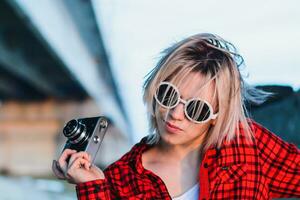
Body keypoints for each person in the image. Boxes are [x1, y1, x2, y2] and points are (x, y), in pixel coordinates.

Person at [52, 33, 300, 199]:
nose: (175, 114)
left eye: (196, 109)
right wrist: (91, 187)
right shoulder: (120, 178)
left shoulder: (248, 146)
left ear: (217, 115)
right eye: (168, 95)